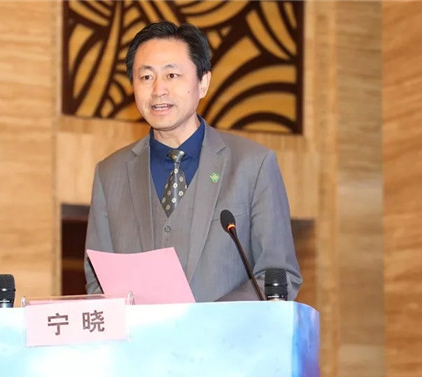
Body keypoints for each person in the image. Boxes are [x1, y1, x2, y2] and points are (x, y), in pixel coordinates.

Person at [84, 21, 301, 302]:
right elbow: (98, 284)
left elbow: (278, 277)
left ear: (203, 83)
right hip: (143, 332)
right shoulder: (109, 174)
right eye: (146, 77)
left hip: (227, 331)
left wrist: (205, 321)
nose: (158, 89)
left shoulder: (253, 165)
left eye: (172, 75)